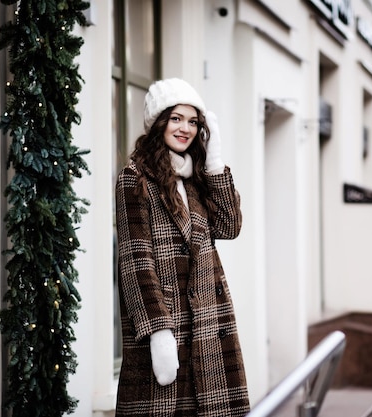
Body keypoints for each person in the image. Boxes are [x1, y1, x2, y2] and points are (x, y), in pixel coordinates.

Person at [115, 78, 250, 417]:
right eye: (176, 118)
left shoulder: (196, 177)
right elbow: (136, 262)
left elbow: (229, 227)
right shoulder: (135, 178)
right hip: (166, 328)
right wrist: (159, 334)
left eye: (193, 121)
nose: (185, 128)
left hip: (209, 327)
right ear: (159, 121)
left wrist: (215, 162)